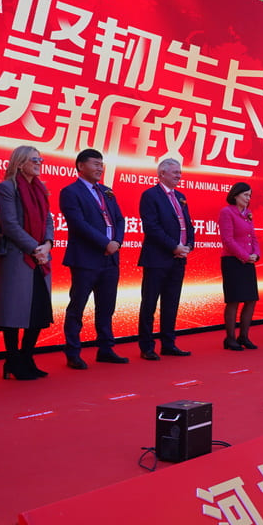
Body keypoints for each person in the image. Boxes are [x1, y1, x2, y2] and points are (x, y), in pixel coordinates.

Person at [59, 148, 127, 369]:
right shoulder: (70, 192)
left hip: (110, 258)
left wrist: (116, 242)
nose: (100, 168)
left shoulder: (107, 192)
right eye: (95, 163)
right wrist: (104, 243)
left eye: (101, 163)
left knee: (106, 306)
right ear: (80, 166)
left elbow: (119, 219)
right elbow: (78, 224)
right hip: (86, 258)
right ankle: (73, 351)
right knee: (78, 305)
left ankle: (106, 348)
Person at [0, 146, 54, 380]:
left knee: (37, 310)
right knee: (13, 311)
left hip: (40, 257)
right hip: (17, 256)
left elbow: (48, 219)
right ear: (20, 163)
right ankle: (12, 359)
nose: (39, 162)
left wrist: (47, 244)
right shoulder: (7, 188)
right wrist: (34, 248)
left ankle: (27, 356)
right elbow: (9, 224)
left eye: (40, 159)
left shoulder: (41, 188)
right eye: (34, 159)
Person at [137, 158, 194, 360]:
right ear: (161, 174)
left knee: (171, 303)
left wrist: (188, 246)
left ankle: (168, 343)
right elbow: (151, 227)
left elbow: (187, 224)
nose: (179, 176)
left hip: (178, 259)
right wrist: (174, 246)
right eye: (174, 172)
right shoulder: (150, 195)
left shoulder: (180, 196)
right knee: (150, 303)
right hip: (157, 259)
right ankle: (147, 346)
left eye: (180, 172)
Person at [220, 182, 261, 350]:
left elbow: (254, 237)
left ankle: (244, 336)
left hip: (248, 261)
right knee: (234, 300)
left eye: (250, 195)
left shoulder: (248, 213)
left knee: (251, 299)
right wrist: (245, 256)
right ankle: (230, 338)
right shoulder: (226, 212)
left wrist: (256, 254)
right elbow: (228, 240)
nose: (248, 198)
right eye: (245, 195)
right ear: (235, 195)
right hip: (232, 261)